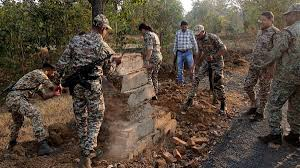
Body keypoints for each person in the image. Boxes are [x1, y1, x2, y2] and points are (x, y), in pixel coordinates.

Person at [56, 14, 121, 168]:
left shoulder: (76, 40)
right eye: (106, 30)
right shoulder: (103, 45)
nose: (106, 33)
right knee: (96, 117)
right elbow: (109, 72)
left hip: (76, 86)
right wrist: (115, 63)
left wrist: (57, 82)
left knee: (81, 116)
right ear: (103, 28)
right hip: (92, 85)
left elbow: (61, 63)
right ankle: (87, 153)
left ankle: (84, 147)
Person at [258, 3, 300, 147]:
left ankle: (275, 135)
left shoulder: (289, 32)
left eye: (288, 15)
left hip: (286, 77)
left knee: (273, 105)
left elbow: (276, 53)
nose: (286, 17)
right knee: (296, 106)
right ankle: (295, 135)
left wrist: (261, 65)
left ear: (296, 14)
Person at [5, 63, 61, 156]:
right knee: (35, 114)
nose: (54, 74)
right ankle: (43, 145)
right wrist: (58, 85)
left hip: (13, 99)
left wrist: (54, 94)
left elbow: (44, 96)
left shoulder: (37, 81)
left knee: (18, 122)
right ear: (48, 69)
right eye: (53, 71)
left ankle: (12, 144)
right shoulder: (39, 73)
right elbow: (51, 86)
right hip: (16, 98)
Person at [182, 25, 227, 115]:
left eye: (198, 35)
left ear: (203, 32)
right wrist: (194, 65)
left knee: (217, 81)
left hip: (217, 62)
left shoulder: (212, 37)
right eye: (196, 35)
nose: (197, 36)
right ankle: (190, 100)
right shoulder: (198, 39)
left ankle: (223, 104)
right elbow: (200, 52)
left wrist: (214, 56)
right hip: (207, 62)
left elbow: (224, 49)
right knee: (196, 79)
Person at [244, 11, 280, 122]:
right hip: (254, 65)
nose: (261, 22)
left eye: (264, 20)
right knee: (247, 86)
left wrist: (272, 68)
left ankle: (260, 113)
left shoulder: (276, 33)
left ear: (271, 20)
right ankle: (254, 105)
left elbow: (277, 52)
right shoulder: (260, 31)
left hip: (266, 67)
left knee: (264, 90)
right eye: (261, 20)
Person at [138, 23, 163, 100]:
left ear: (143, 29)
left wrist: (146, 60)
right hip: (159, 57)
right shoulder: (154, 34)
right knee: (154, 76)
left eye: (141, 31)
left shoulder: (147, 35)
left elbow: (150, 49)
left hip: (153, 58)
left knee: (147, 76)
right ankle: (155, 92)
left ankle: (152, 95)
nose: (141, 33)